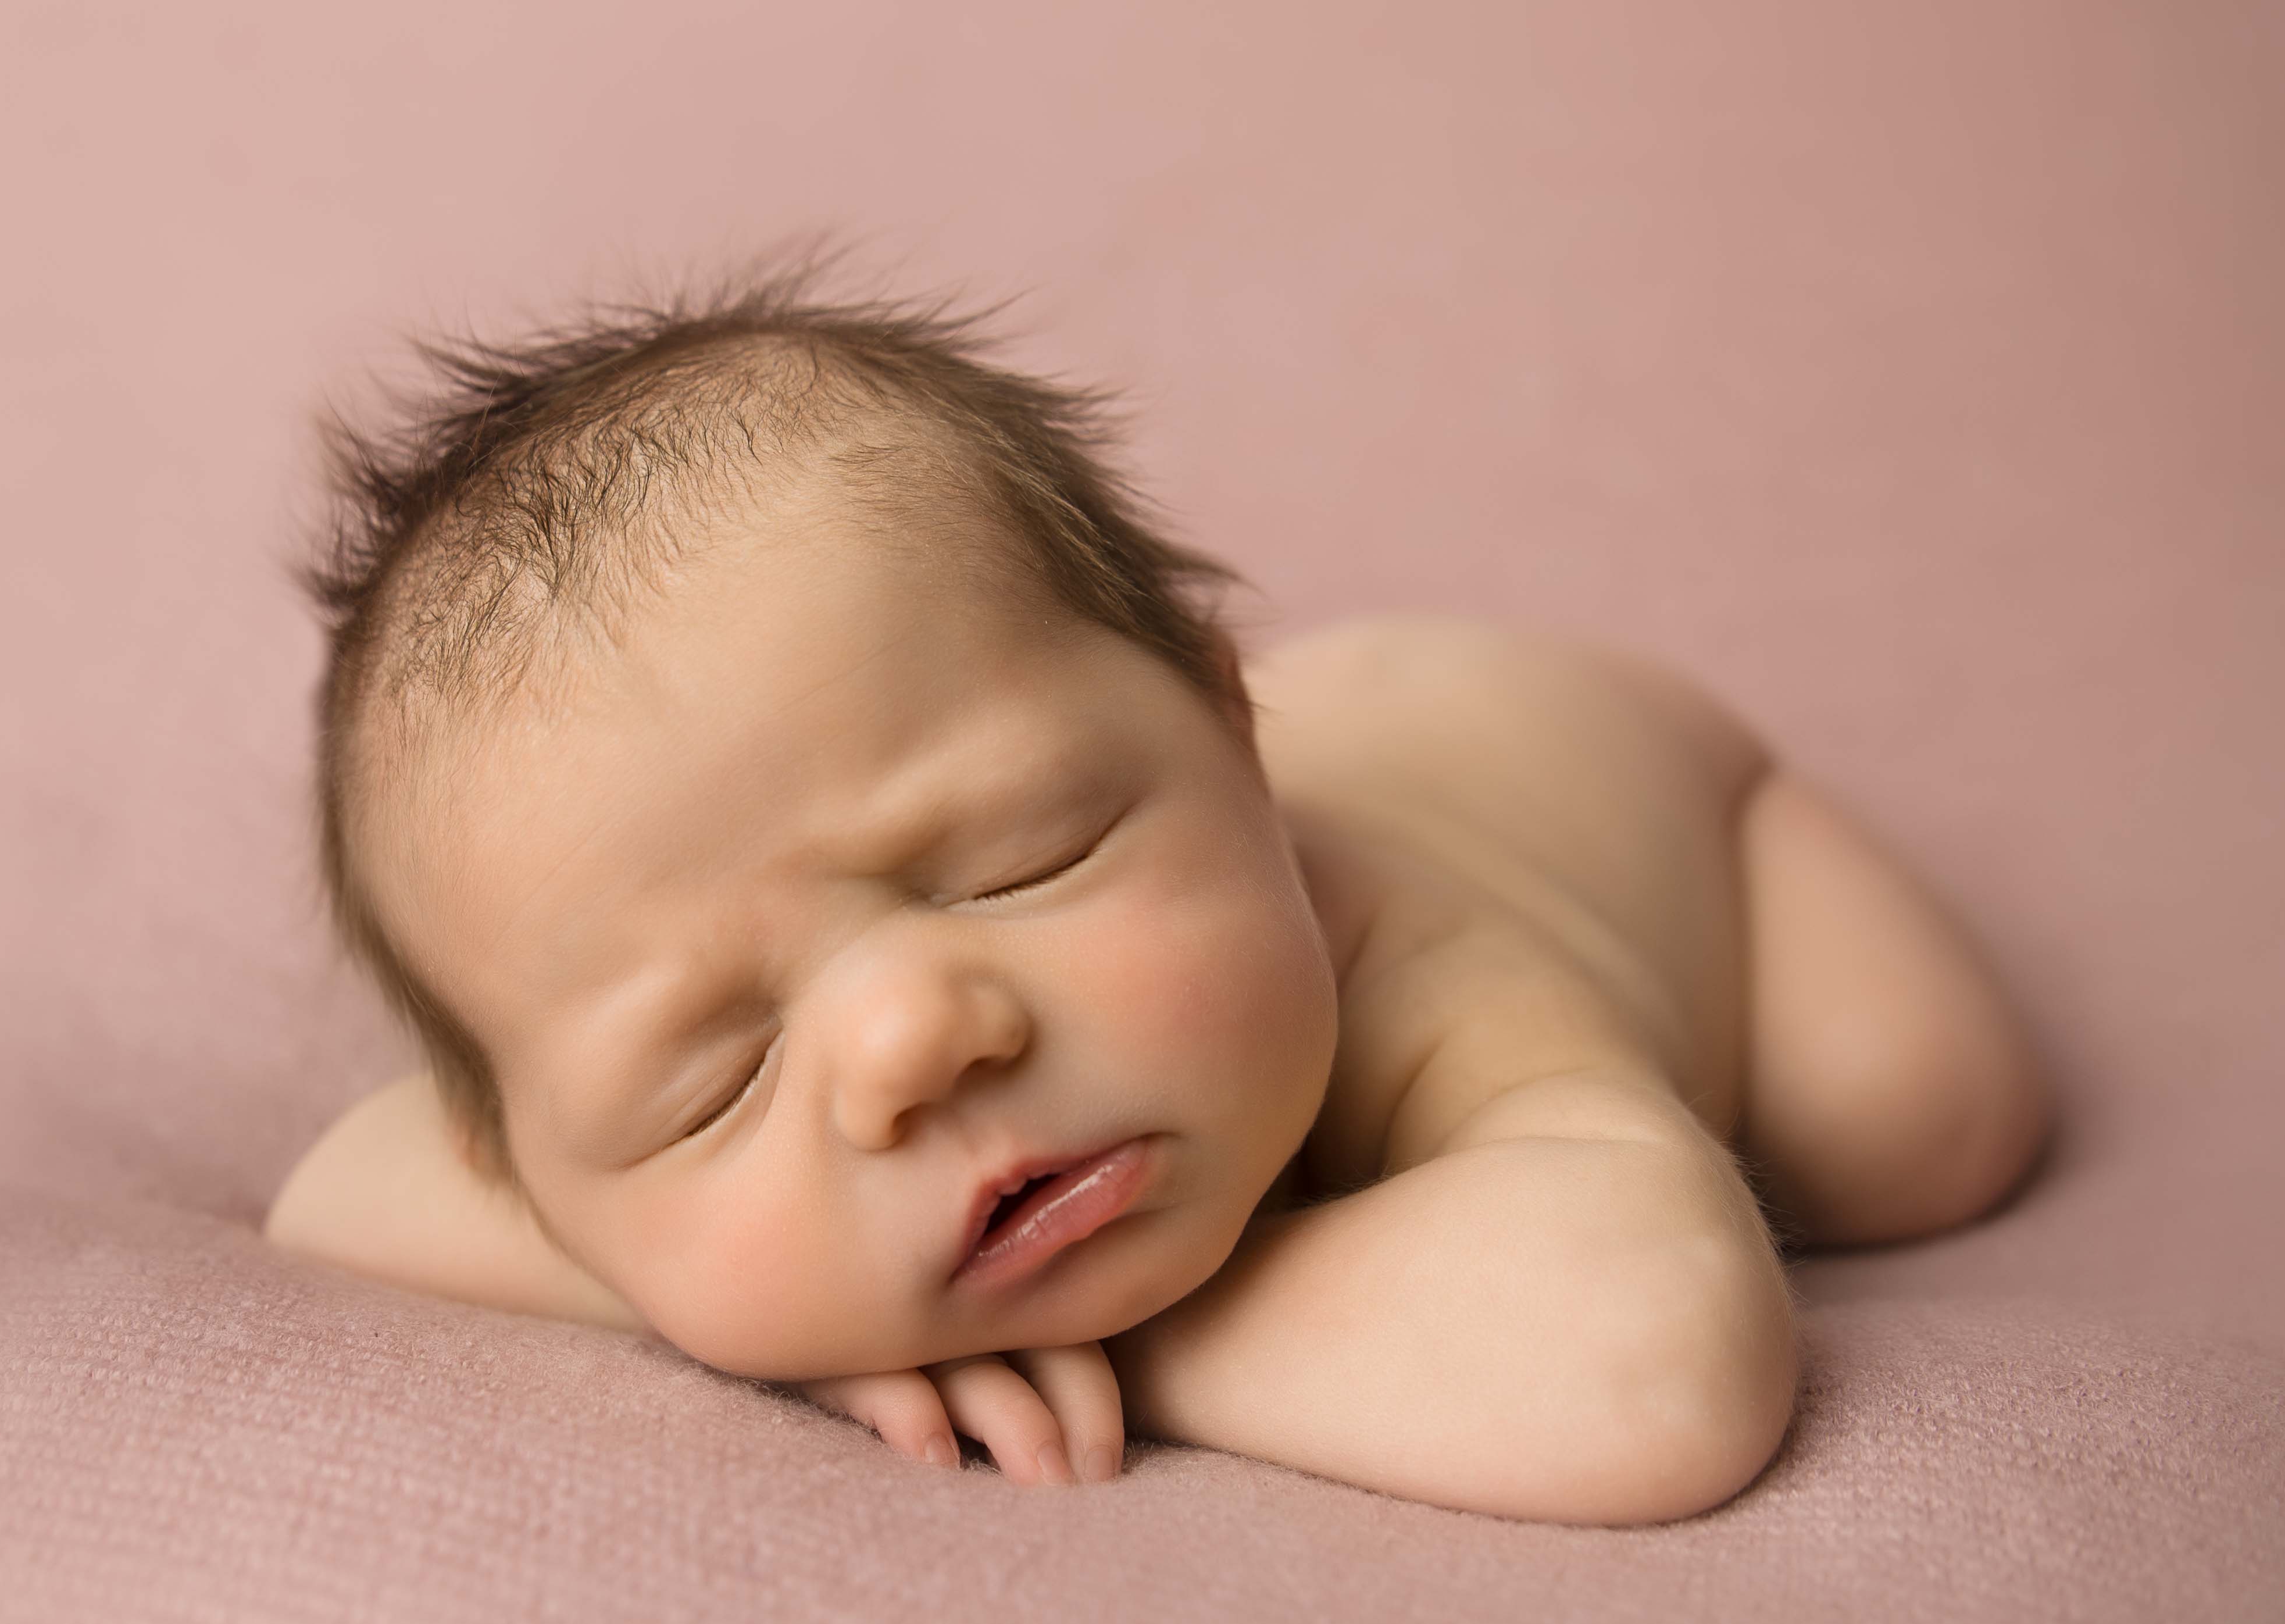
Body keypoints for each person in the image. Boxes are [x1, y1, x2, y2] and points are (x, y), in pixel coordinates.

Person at [266, 274, 2050, 1526]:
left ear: (1226, 727)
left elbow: (1654, 1369)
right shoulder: (556, 1145)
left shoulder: (1412, 960)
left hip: (1630, 779)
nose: (911, 1035)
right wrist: (781, 1309)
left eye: (1022, 861)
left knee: (1913, 1122)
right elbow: (337, 1195)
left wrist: (1117, 1332)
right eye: (713, 1074)